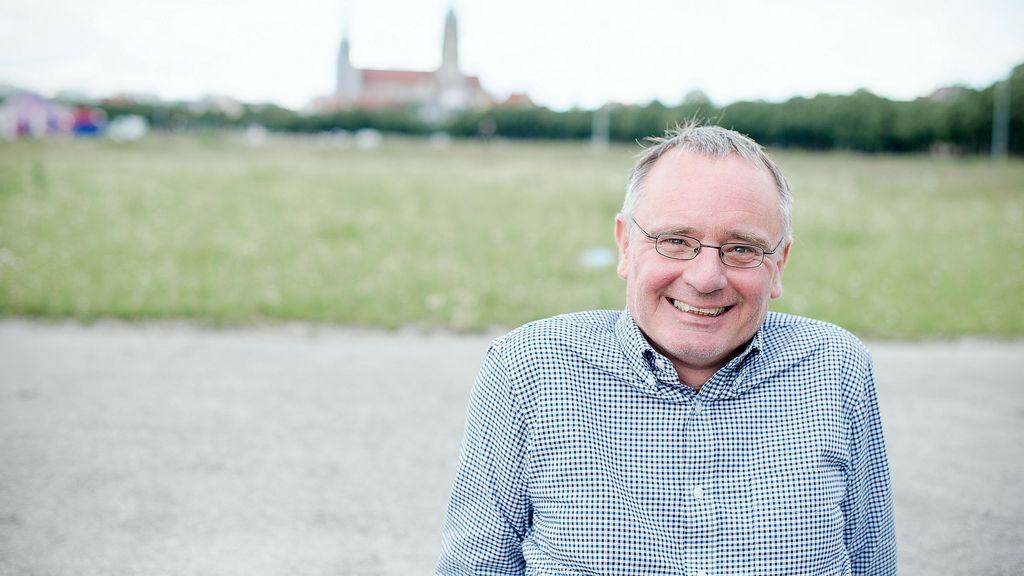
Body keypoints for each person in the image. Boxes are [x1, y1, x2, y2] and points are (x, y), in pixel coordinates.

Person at [436, 123, 896, 575]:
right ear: (625, 245)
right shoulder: (529, 369)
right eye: (675, 241)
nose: (705, 278)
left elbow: (873, 562)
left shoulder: (835, 368)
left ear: (779, 265)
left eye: (741, 249)